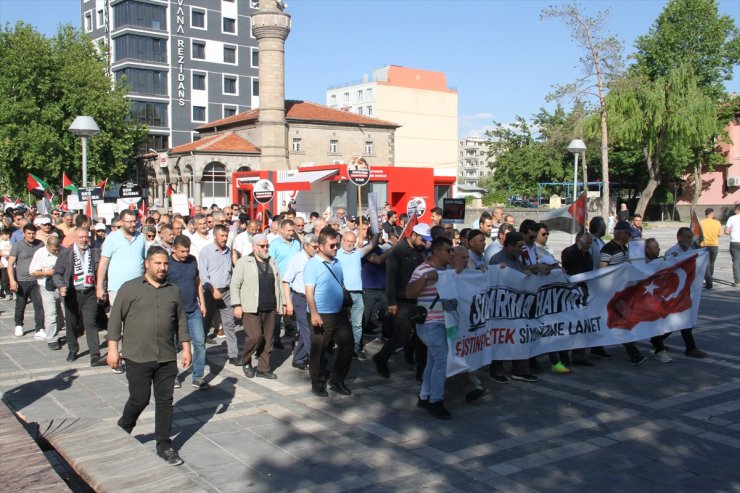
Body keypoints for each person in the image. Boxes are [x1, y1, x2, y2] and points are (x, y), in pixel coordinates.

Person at [107, 246, 191, 466]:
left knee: (165, 401)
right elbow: (115, 319)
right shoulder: (130, 288)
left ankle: (163, 445)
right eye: (158, 263)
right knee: (140, 398)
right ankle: (123, 428)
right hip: (137, 356)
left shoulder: (173, 290)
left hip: (166, 356)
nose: (163, 268)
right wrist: (113, 348)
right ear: (147, 263)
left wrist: (186, 347)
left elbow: (181, 321)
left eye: (165, 264)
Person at [373, 224, 430, 379]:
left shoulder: (421, 252)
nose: (424, 243)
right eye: (422, 239)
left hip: (417, 298)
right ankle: (381, 357)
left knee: (420, 335)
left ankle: (419, 368)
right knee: (402, 335)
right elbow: (390, 278)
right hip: (401, 299)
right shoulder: (398, 252)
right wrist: (392, 302)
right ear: (413, 235)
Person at [407, 236, 454, 419]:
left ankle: (425, 396)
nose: (451, 253)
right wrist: (426, 278)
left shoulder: (448, 270)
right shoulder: (422, 270)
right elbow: (409, 292)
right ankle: (436, 401)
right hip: (429, 324)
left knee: (433, 361)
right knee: (441, 361)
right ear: (437, 252)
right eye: (448, 250)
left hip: (445, 322)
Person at [304, 227, 354, 397]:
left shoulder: (337, 262)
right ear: (320, 246)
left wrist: (345, 306)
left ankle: (337, 380)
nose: (336, 248)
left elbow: (341, 284)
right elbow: (309, 292)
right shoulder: (312, 265)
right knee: (320, 350)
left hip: (339, 313)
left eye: (337, 245)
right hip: (321, 314)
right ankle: (317, 383)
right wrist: (314, 313)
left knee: (348, 345)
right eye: (332, 246)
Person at [232, 234, 284, 379]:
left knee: (268, 339)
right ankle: (246, 360)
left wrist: (282, 303)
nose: (265, 248)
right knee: (255, 336)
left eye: (267, 245)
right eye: (262, 246)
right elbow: (235, 285)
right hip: (251, 306)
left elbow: (279, 283)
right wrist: (237, 305)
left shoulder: (272, 262)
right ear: (254, 247)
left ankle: (263, 368)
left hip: (270, 305)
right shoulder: (244, 262)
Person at [488, 232, 538, 382]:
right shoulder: (496, 259)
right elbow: (492, 279)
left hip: (516, 308)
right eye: (518, 246)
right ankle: (496, 371)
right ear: (509, 246)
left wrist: (526, 272)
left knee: (519, 337)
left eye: (522, 246)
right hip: (501, 308)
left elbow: (520, 272)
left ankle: (520, 370)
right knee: (500, 338)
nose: (521, 250)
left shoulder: (516, 259)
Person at [651, 227, 707, 359]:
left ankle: (657, 339)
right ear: (679, 238)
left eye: (691, 237)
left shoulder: (689, 250)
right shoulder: (673, 252)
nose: (690, 240)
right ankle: (690, 348)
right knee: (681, 318)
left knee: (680, 319)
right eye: (688, 237)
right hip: (675, 291)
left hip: (685, 290)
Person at [53, 227, 105, 365]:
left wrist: (102, 288)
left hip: (90, 293)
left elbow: (102, 272)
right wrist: (61, 286)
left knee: (91, 323)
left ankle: (95, 353)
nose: (83, 239)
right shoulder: (66, 254)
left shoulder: (95, 252)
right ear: (75, 238)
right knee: (71, 324)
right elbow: (57, 273)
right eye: (81, 237)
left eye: (86, 237)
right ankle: (72, 349)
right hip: (72, 293)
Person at [600, 220, 647, 366]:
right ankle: (632, 352)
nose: (629, 237)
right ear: (620, 233)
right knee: (621, 322)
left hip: (626, 291)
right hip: (613, 292)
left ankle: (597, 347)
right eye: (628, 234)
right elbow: (602, 269)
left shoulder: (627, 248)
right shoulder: (608, 249)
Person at [167, 235, 209, 390]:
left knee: (199, 342)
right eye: (182, 251)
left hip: (192, 310)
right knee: (171, 345)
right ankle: (174, 375)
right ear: (174, 249)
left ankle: (198, 376)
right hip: (173, 312)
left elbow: (197, 282)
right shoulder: (168, 263)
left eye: (187, 251)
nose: (185, 254)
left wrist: (202, 303)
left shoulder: (192, 260)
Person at [199, 224, 238, 363]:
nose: (225, 238)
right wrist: (212, 290)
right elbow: (203, 275)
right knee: (205, 323)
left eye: (226, 236)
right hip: (210, 292)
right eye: (222, 236)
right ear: (215, 236)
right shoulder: (206, 251)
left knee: (229, 323)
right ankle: (200, 353)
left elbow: (231, 272)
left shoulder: (228, 251)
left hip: (226, 292)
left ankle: (233, 355)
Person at [336, 229, 378, 359]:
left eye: (352, 242)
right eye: (347, 241)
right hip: (342, 293)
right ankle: (340, 346)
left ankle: (355, 348)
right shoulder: (335, 254)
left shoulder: (357, 254)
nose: (349, 244)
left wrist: (376, 232)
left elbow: (372, 245)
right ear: (342, 241)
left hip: (358, 294)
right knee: (339, 323)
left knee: (357, 323)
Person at [282, 234, 319, 370]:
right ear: (306, 246)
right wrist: (288, 302)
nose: (317, 249)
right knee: (307, 330)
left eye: (318, 246)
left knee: (308, 330)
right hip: (301, 299)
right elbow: (286, 281)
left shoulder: (317, 258)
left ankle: (298, 358)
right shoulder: (296, 260)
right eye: (314, 247)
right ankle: (315, 361)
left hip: (314, 298)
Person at [560, 231, 594, 367]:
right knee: (568, 324)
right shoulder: (569, 251)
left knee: (582, 324)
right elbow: (567, 263)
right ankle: (563, 354)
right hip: (570, 292)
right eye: (586, 243)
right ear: (579, 240)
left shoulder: (588, 255)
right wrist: (578, 248)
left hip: (583, 291)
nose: (588, 246)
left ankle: (579, 355)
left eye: (590, 243)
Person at [8, 223, 44, 338]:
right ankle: (18, 325)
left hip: (36, 280)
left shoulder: (40, 244)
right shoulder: (17, 245)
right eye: (29, 233)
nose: (31, 236)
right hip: (22, 281)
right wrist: (12, 281)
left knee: (39, 305)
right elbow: (10, 264)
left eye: (33, 233)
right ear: (24, 233)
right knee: (20, 305)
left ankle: (39, 328)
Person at [29, 235, 62, 350]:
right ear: (48, 246)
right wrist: (46, 272)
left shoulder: (62, 251)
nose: (56, 251)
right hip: (46, 286)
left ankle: (55, 331)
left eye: (58, 249)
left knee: (62, 314)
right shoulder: (40, 253)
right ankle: (52, 339)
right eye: (54, 250)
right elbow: (32, 271)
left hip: (60, 286)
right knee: (51, 313)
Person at [700, 208, 721, 289]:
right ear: (712, 214)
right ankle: (709, 279)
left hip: (704, 244)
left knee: (706, 264)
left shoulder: (701, 222)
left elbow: (697, 234)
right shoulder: (717, 223)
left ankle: (709, 281)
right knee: (711, 263)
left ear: (706, 214)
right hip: (714, 245)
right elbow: (719, 234)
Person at [725, 204, 740, 287]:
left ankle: (737, 281)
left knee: (736, 261)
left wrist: (732, 232)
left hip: (734, 242)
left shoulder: (732, 218)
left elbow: (726, 231)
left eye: (734, 210)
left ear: (737, 210)